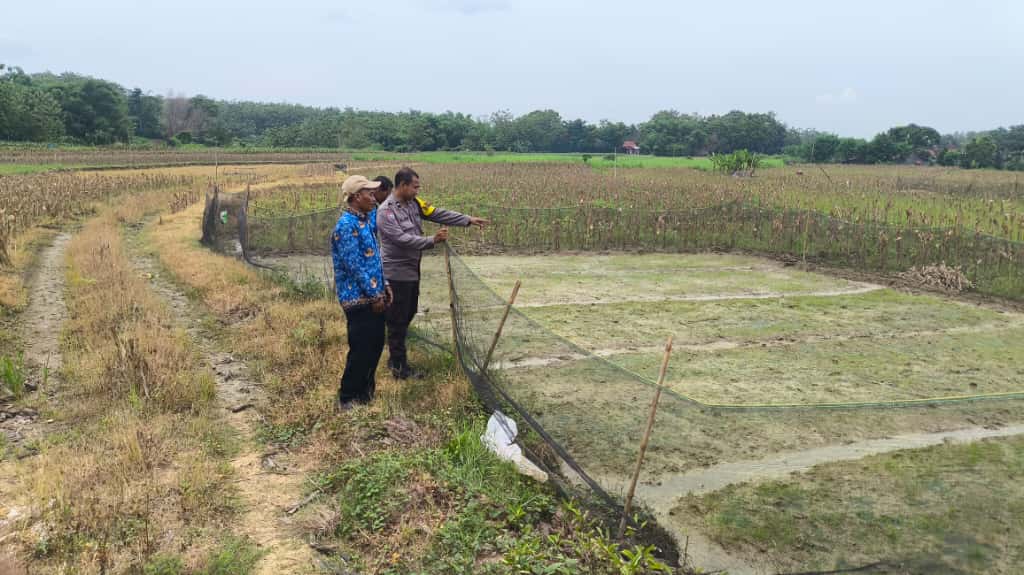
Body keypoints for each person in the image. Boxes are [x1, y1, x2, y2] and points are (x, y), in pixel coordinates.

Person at [377, 167, 489, 379]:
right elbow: (401, 239)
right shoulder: (386, 211)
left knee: (409, 312)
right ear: (403, 185)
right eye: (415, 187)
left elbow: (437, 213)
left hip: (412, 269)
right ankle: (399, 368)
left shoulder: (414, 203)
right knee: (397, 319)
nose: (417, 191)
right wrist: (432, 240)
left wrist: (467, 220)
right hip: (395, 272)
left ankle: (395, 358)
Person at [331, 175, 393, 409]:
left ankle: (365, 395)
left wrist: (385, 285)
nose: (374, 198)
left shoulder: (365, 221)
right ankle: (348, 397)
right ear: (357, 197)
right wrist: (375, 295)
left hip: (374, 294)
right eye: (369, 193)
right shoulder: (346, 226)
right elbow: (355, 266)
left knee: (375, 345)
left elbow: (374, 260)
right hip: (358, 299)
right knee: (361, 348)